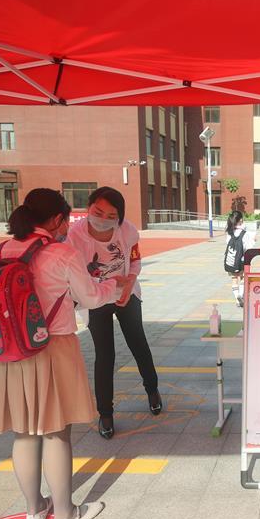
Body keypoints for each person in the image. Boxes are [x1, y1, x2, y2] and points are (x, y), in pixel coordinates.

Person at [0, 188, 125, 519]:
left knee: (23, 433)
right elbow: (91, 298)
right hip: (54, 347)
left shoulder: (2, 249)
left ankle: (34, 510)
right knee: (55, 432)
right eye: (65, 220)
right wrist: (114, 285)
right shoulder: (60, 252)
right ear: (55, 220)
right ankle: (66, 514)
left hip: (12, 351)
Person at [66, 187, 161, 440]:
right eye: (98, 212)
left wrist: (129, 282)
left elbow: (135, 259)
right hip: (95, 298)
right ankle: (105, 414)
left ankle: (153, 390)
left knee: (138, 342)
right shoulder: (74, 237)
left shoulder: (127, 230)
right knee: (104, 354)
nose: (103, 218)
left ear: (119, 217)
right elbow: (75, 278)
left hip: (125, 293)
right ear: (88, 208)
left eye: (111, 215)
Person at [225, 210, 256, 307]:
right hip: (242, 259)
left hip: (231, 259)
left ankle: (237, 298)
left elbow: (227, 244)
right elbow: (249, 247)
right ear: (241, 220)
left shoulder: (229, 232)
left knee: (234, 279)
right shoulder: (244, 233)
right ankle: (241, 296)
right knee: (242, 278)